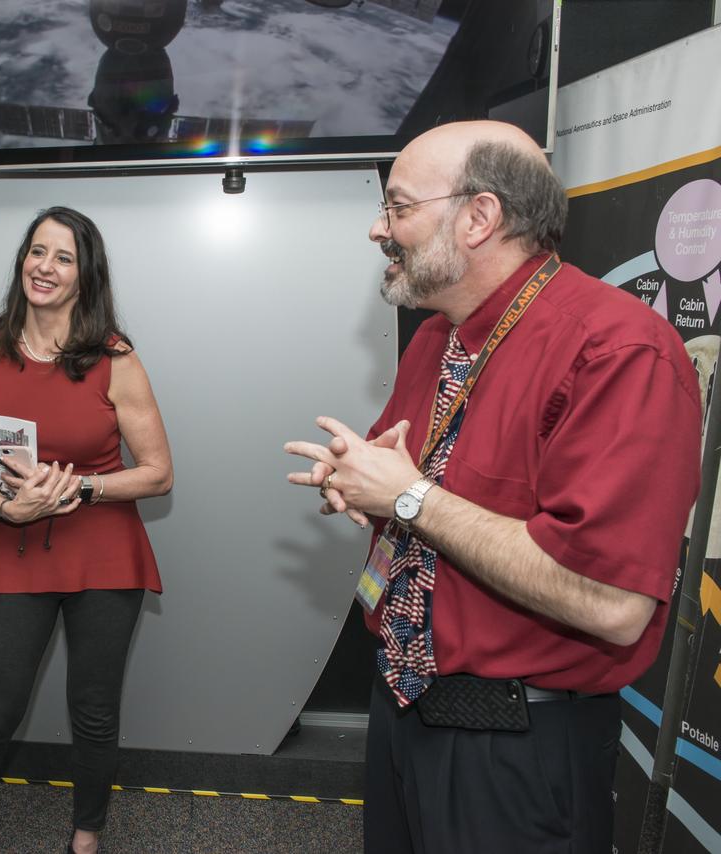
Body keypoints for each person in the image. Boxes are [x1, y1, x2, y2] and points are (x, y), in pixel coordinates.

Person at [284, 120, 702, 853]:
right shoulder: (436, 339)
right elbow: (409, 475)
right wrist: (358, 478)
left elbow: (610, 603)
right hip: (404, 707)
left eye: (398, 206)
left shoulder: (618, 351)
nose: (379, 229)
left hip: (516, 744)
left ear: (479, 217)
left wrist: (409, 498)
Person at [0, 206, 172, 854]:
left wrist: (81, 487)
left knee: (94, 712)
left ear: (84, 275)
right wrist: (3, 506)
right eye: (37, 252)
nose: (45, 267)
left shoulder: (115, 359)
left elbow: (158, 473)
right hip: (14, 544)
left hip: (103, 551)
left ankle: (85, 839)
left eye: (63, 257)